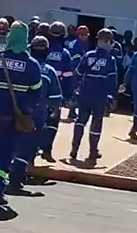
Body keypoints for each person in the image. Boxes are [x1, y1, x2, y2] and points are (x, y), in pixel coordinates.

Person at [0, 21, 42, 204]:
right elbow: (36, 93)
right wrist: (27, 111)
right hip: (17, 117)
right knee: (6, 153)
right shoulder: (32, 64)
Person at [8, 34, 62, 190]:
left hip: (15, 111)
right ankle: (17, 178)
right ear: (47, 52)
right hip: (37, 115)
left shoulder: (23, 65)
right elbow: (55, 97)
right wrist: (55, 112)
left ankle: (4, 175)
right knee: (28, 148)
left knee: (11, 144)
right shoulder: (49, 71)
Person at [69, 28, 118, 163]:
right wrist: (112, 97)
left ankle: (74, 149)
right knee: (96, 123)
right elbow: (112, 80)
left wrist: (74, 90)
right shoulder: (110, 59)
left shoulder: (88, 55)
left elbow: (78, 73)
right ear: (107, 42)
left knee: (80, 121)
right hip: (100, 96)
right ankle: (93, 151)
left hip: (85, 93)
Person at [42, 21, 74, 162]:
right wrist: (67, 96)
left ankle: (33, 151)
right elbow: (68, 76)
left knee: (37, 122)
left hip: (38, 93)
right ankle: (47, 150)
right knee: (52, 124)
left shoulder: (41, 48)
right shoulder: (65, 54)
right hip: (55, 95)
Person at [67, 25, 90, 120]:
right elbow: (72, 60)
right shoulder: (74, 45)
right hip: (74, 72)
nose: (86, 37)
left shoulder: (86, 45)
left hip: (81, 72)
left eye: (86, 35)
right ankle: (71, 112)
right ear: (80, 35)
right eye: (84, 35)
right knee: (75, 92)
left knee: (78, 92)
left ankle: (73, 111)